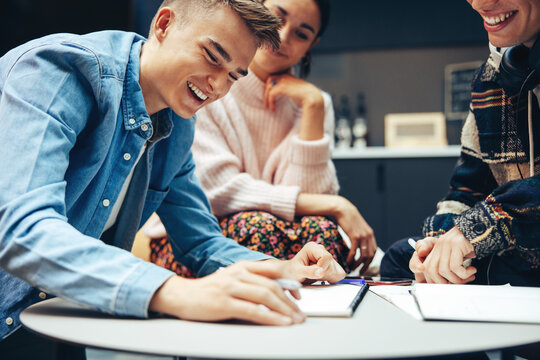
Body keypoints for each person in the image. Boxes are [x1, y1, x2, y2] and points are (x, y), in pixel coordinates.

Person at [0, 0, 347, 358]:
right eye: (213, 56)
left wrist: (280, 269)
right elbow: (22, 230)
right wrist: (178, 292)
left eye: (233, 75)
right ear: (163, 24)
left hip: (56, 320)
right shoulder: (57, 71)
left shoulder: (177, 125)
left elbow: (201, 244)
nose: (216, 86)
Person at [142, 0, 377, 278]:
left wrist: (313, 106)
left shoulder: (313, 103)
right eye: (278, 18)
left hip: (270, 230)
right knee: (259, 226)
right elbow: (219, 191)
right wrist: (337, 204)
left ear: (311, 46)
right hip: (195, 235)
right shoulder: (201, 87)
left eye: (301, 34)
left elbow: (309, 205)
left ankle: (312, 305)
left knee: (321, 231)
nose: (283, 37)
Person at [381, 0, 540, 286]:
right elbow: (466, 192)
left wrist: (472, 232)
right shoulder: (490, 80)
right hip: (520, 259)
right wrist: (439, 243)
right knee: (399, 257)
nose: (481, 3)